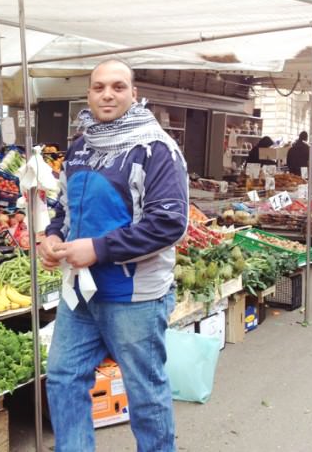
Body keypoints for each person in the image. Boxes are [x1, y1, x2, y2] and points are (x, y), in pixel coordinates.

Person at [40, 59, 188, 452]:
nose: (107, 94)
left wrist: (98, 248)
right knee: (62, 378)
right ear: (88, 93)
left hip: (133, 296)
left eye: (118, 87)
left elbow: (169, 223)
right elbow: (63, 208)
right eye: (99, 87)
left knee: (144, 391)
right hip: (81, 292)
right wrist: (53, 238)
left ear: (134, 94)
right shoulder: (80, 147)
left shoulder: (156, 149)